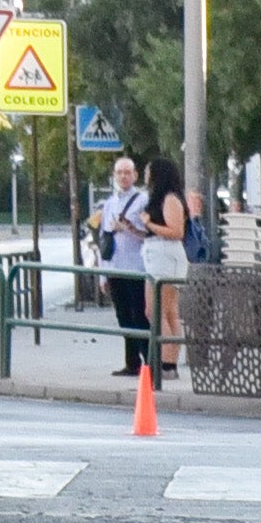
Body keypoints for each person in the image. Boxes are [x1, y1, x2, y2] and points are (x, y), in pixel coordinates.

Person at [94, 155, 152, 376]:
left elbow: (150, 233)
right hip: (115, 267)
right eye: (119, 172)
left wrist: (127, 227)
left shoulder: (143, 200)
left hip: (137, 268)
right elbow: (104, 239)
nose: (123, 176)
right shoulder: (110, 203)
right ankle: (132, 362)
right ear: (114, 176)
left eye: (127, 172)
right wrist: (103, 274)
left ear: (135, 175)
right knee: (123, 317)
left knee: (139, 316)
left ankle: (148, 361)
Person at [138, 157, 193, 378]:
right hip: (157, 254)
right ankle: (168, 362)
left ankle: (168, 362)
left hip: (165, 257)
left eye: (149, 171)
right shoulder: (161, 198)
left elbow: (176, 231)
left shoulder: (170, 198)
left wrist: (149, 223)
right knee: (165, 311)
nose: (145, 176)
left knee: (158, 311)